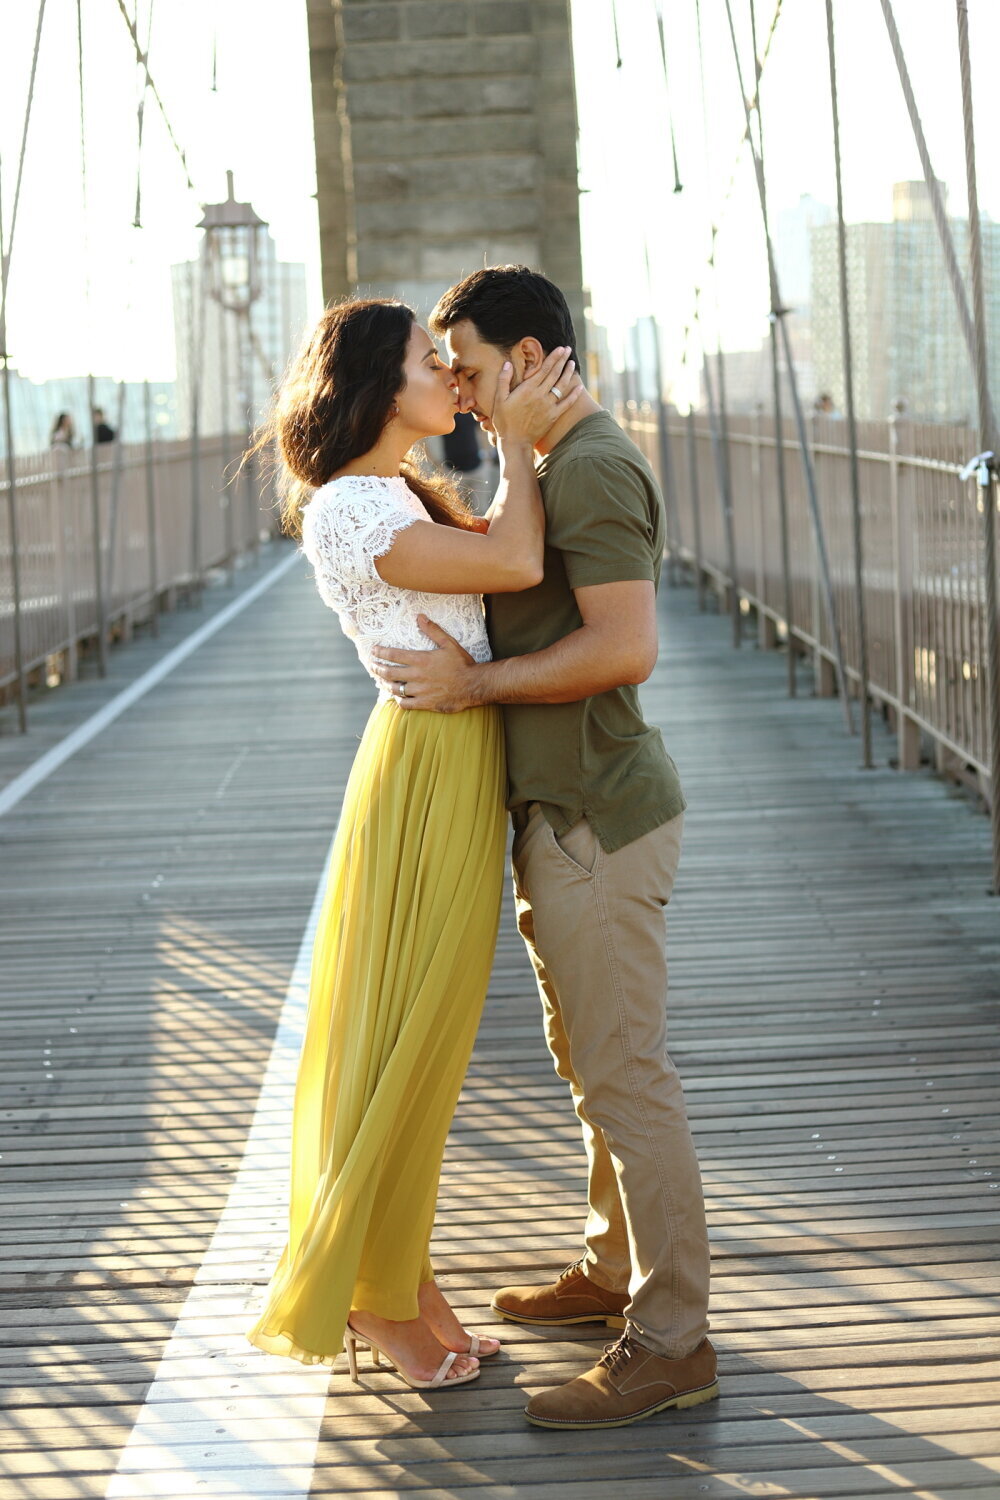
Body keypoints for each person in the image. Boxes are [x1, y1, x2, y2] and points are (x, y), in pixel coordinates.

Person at [372, 265, 717, 1430]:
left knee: (628, 1077)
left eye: (466, 367)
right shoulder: (552, 464)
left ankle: (670, 1341)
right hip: (559, 817)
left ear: (526, 360)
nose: (459, 392)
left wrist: (473, 686)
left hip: (597, 819)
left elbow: (624, 648)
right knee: (591, 1070)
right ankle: (610, 1270)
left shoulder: (597, 466)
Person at [244, 297, 582, 1390]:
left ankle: (402, 1288)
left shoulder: (391, 490)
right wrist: (522, 445)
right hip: (426, 772)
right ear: (381, 391)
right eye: (434, 364)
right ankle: (368, 1297)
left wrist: (507, 454)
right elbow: (520, 561)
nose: (454, 378)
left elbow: (493, 550)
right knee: (404, 1042)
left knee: (419, 1049)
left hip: (450, 758)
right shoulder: (348, 506)